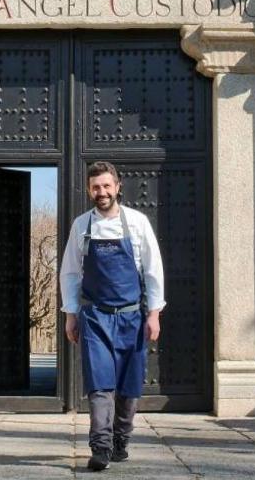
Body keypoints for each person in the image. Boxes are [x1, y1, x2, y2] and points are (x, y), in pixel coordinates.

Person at [59, 161, 165, 472]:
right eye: (96, 187)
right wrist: (70, 314)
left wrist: (154, 314)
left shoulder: (137, 223)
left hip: (132, 317)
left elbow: (153, 270)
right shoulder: (81, 226)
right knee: (100, 384)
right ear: (89, 190)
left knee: (130, 386)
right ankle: (101, 447)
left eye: (107, 186)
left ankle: (121, 439)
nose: (101, 192)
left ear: (117, 187)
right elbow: (69, 273)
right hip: (95, 317)